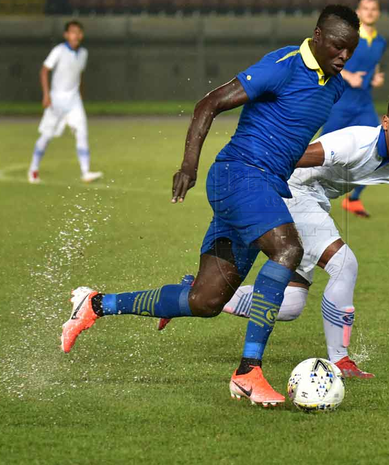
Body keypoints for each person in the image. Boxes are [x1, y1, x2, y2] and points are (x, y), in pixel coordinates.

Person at [60, 5, 361, 408]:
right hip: (240, 176)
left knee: (205, 301)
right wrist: (188, 165)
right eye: (338, 47)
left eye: (350, 50)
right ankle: (247, 373)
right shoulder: (284, 65)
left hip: (263, 189)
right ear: (318, 36)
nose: (343, 56)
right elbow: (209, 104)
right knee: (288, 249)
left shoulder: (335, 84)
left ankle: (95, 304)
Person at [219, 89, 389, 378]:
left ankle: (210, 295)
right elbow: (292, 159)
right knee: (344, 263)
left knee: (291, 305)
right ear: (386, 122)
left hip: (315, 201)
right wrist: (248, 186)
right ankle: (341, 361)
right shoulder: (353, 143)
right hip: (293, 190)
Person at [323, 0, 387, 218]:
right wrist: (348, 75)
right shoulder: (347, 36)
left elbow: (373, 66)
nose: (369, 12)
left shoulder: (380, 42)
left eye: (373, 9)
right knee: (319, 150)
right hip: (340, 102)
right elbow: (326, 60)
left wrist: (375, 78)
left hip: (363, 104)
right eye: (365, 9)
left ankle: (353, 198)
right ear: (358, 12)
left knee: (382, 149)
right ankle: (293, 190)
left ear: (378, 13)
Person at [28, 20, 102, 184]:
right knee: (46, 136)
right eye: (72, 32)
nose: (76, 35)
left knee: (82, 133)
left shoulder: (83, 53)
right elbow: (44, 71)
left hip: (74, 101)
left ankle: (85, 172)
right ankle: (33, 169)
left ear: (81, 35)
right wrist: (46, 95)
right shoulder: (59, 51)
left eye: (78, 32)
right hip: (57, 101)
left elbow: (79, 75)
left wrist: (81, 94)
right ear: (66, 35)